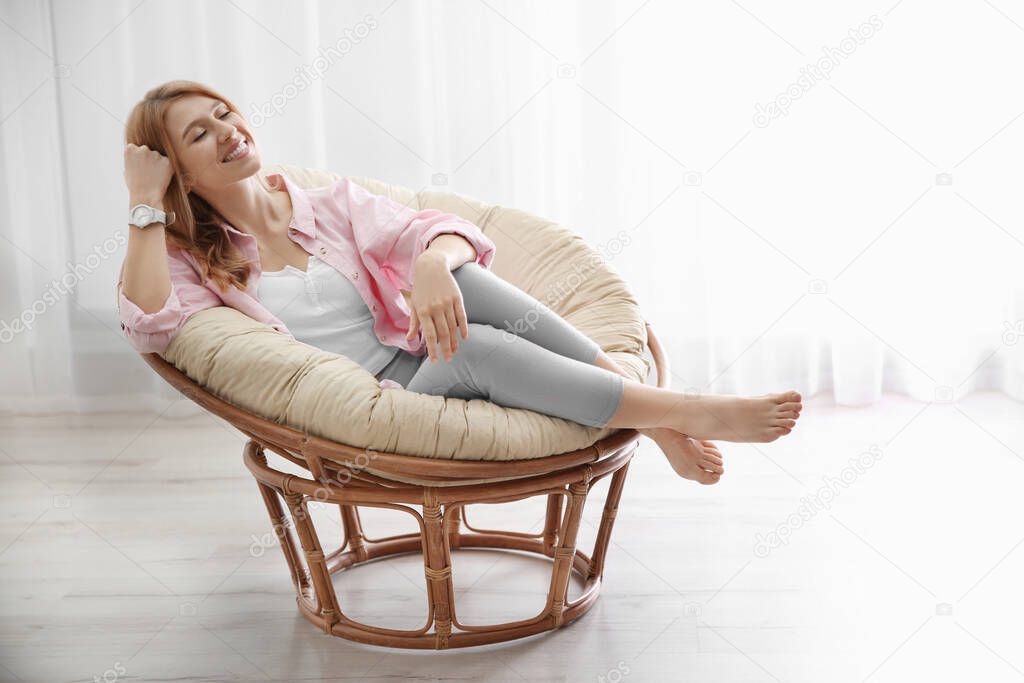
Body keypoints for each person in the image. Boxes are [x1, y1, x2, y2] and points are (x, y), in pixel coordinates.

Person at [117, 80, 802, 487]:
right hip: (383, 395)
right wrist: (144, 204)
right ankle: (683, 409)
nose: (228, 132)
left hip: (421, 343)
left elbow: (433, 226)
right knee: (469, 346)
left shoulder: (323, 202)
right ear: (181, 173)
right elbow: (149, 321)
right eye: (200, 135)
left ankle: (653, 417)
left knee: (460, 274)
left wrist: (431, 264)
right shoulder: (196, 256)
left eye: (225, 114)